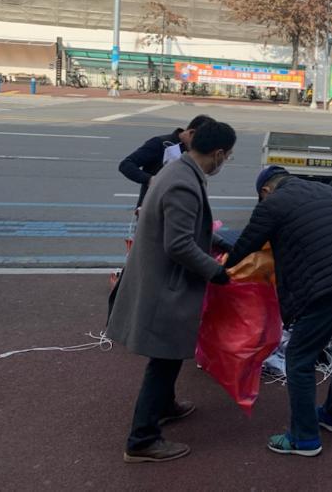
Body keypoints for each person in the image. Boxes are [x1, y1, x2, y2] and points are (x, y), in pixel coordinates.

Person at [226, 166, 332, 457]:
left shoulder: (272, 204)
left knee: (299, 358)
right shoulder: (327, 191)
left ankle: (304, 438)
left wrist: (219, 271)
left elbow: (245, 246)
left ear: (266, 191)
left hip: (329, 289)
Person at [107, 119, 236, 462]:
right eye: (229, 157)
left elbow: (189, 228)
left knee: (168, 353)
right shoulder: (183, 183)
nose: (226, 162)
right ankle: (142, 439)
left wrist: (220, 242)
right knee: (163, 360)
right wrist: (217, 272)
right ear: (219, 153)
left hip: (160, 279)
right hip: (166, 285)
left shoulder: (178, 169)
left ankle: (165, 406)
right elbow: (179, 244)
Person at [118, 115, 213, 208]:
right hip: (153, 208)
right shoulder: (160, 143)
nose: (201, 147)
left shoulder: (196, 151)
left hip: (181, 207)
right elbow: (126, 164)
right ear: (191, 133)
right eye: (200, 142)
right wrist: (150, 179)